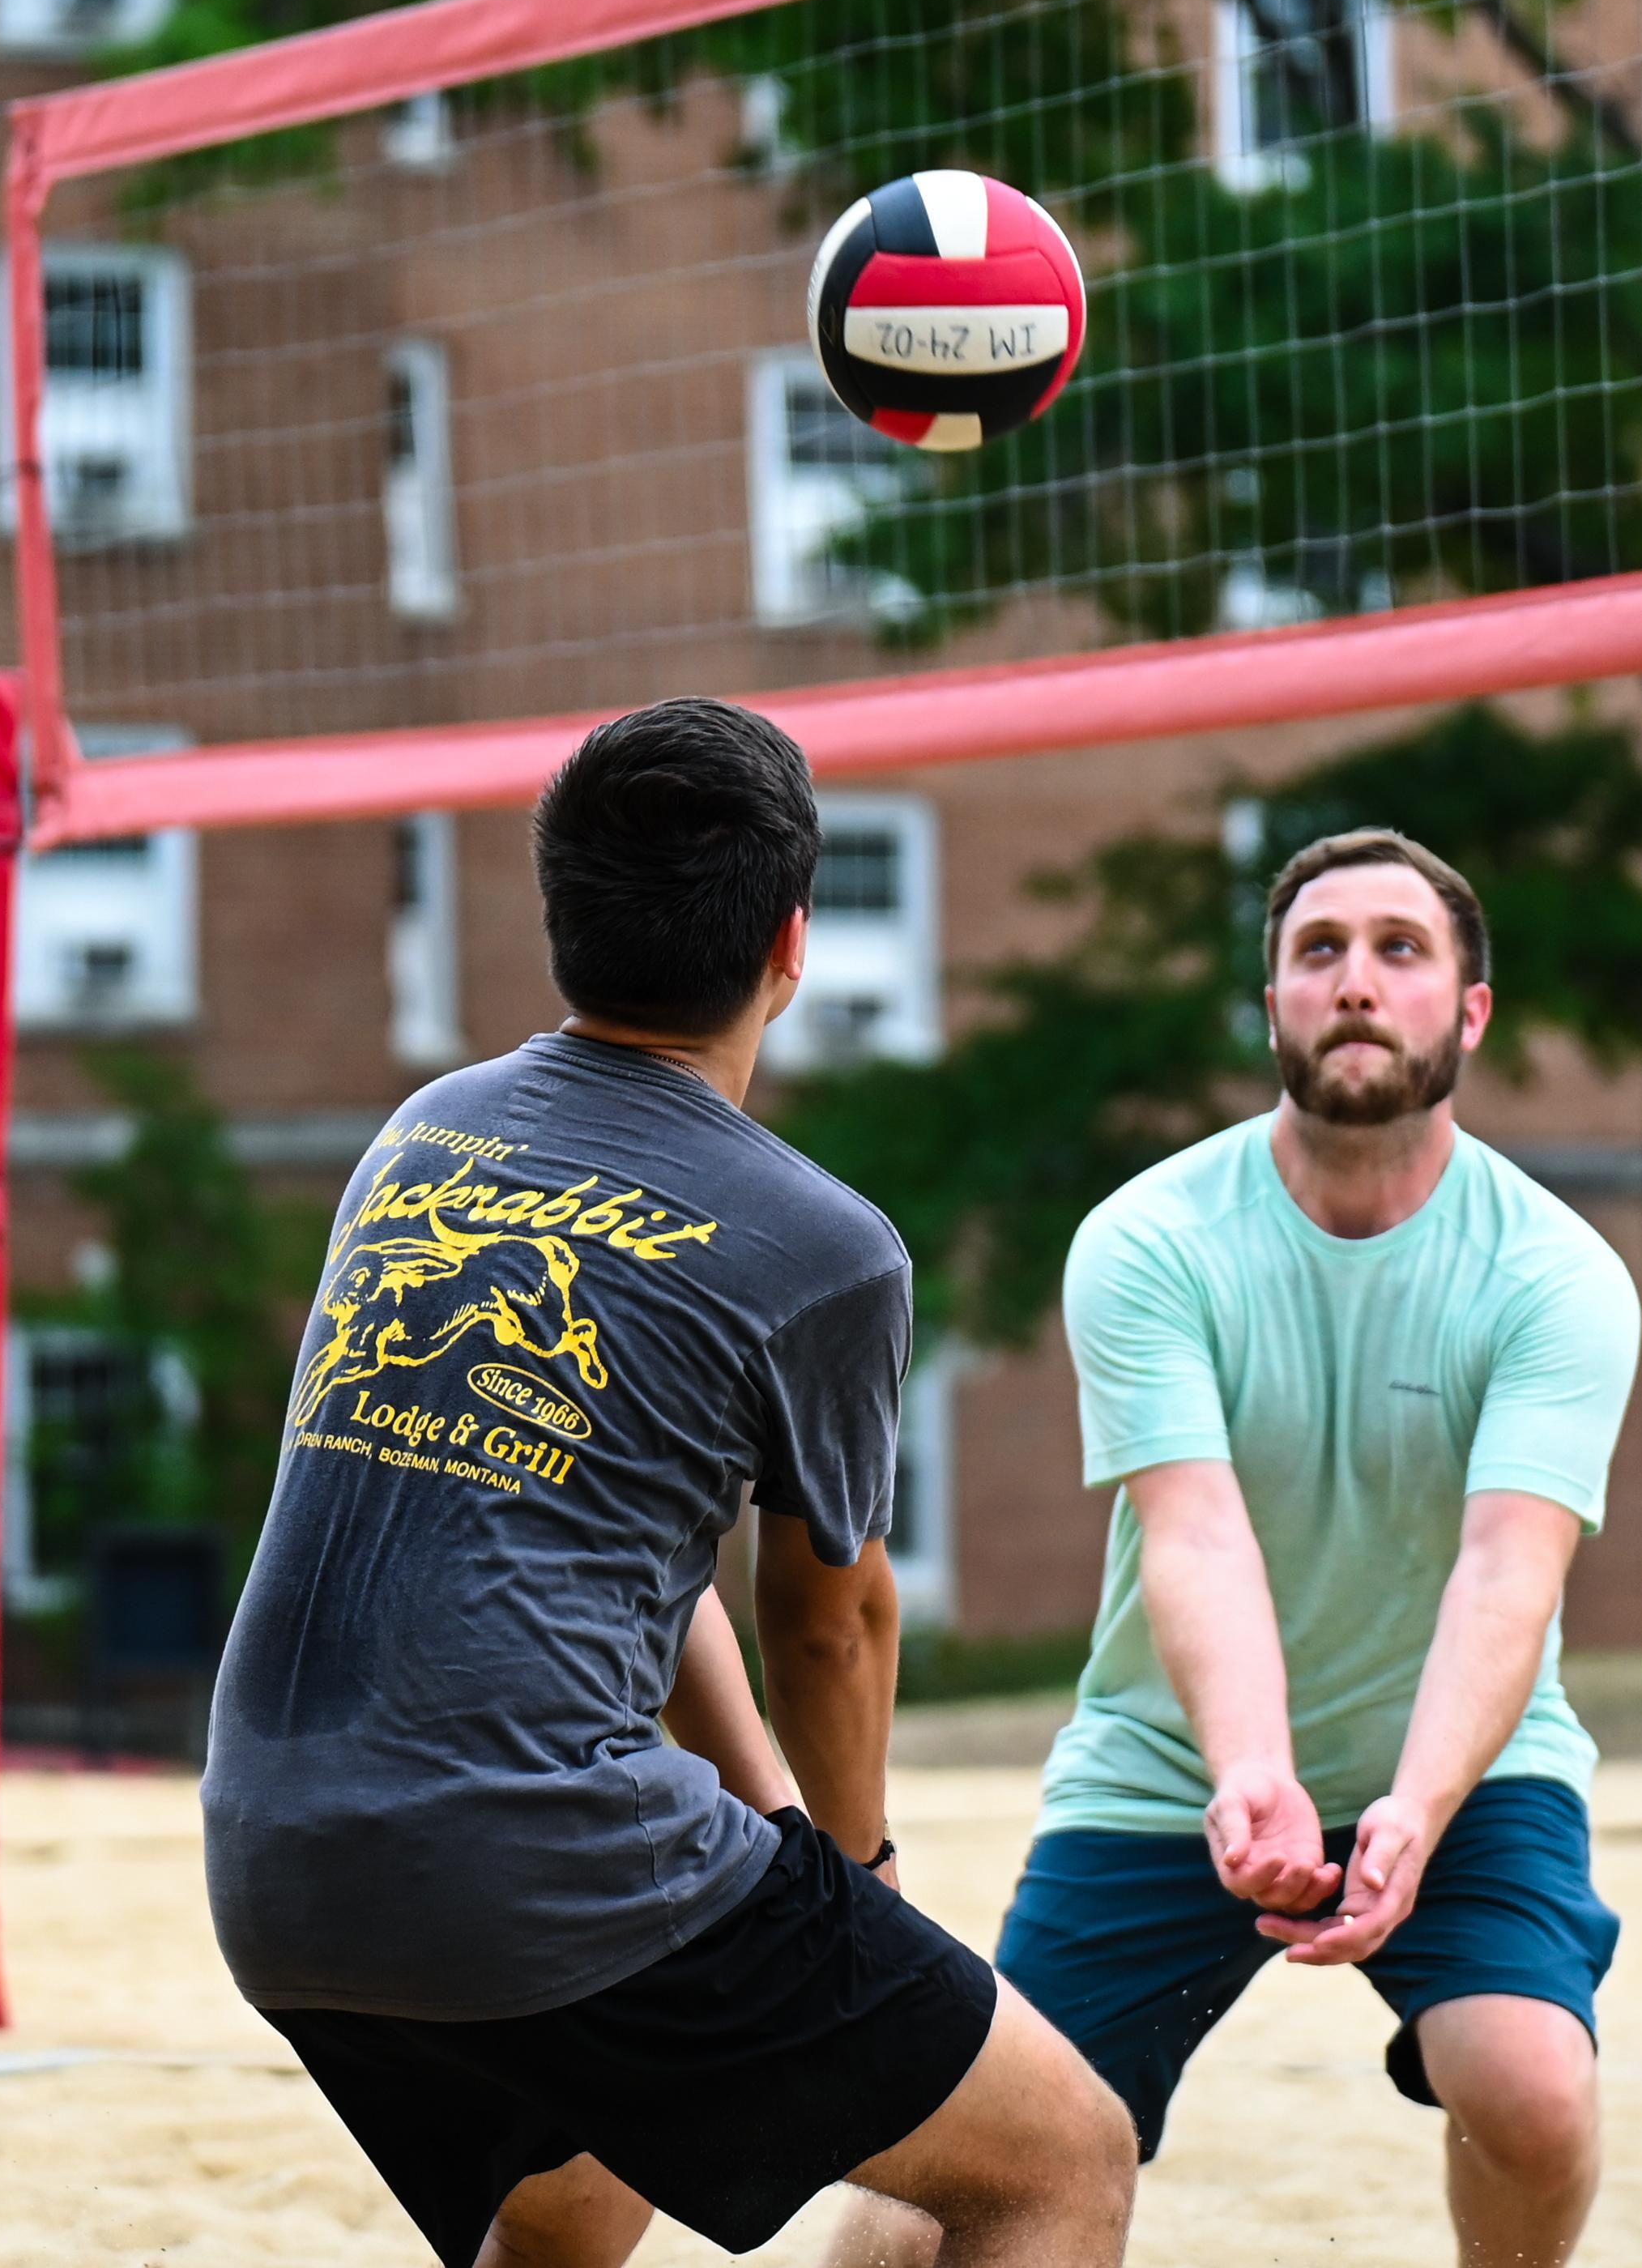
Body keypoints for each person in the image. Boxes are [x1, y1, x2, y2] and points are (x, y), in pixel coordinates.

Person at [201, 697, 1135, 2268]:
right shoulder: (822, 1242)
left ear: (558, 917)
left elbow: (626, 1543)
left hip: (277, 1858)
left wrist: (768, 1826)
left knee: (577, 2196)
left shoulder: (421, 1139)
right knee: (1059, 2158)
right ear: (790, 941)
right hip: (526, 1859)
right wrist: (854, 1885)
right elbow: (827, 1621)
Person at [840, 829, 1640, 2268]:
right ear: (1269, 1004)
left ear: (1468, 1012)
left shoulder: (1556, 1271)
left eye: (1401, 951)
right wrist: (1254, 1775)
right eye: (1316, 952)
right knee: (945, 2176)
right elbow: (1194, 1535)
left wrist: (1411, 1802)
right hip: (1170, 1767)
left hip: (1463, 1764)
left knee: (1532, 2094)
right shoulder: (1150, 1238)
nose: (1354, 982)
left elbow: (1507, 1571)